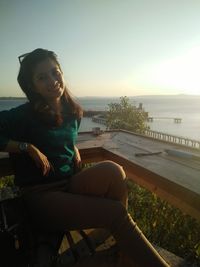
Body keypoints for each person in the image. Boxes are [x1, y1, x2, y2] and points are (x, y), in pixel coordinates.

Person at [0, 48, 170, 267]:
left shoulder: (72, 112)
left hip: (69, 184)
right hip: (41, 197)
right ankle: (130, 246)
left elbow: (63, 137)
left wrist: (73, 147)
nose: (53, 81)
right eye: (42, 77)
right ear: (32, 86)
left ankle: (122, 244)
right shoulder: (23, 115)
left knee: (114, 171)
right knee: (115, 213)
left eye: (55, 72)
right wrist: (25, 147)